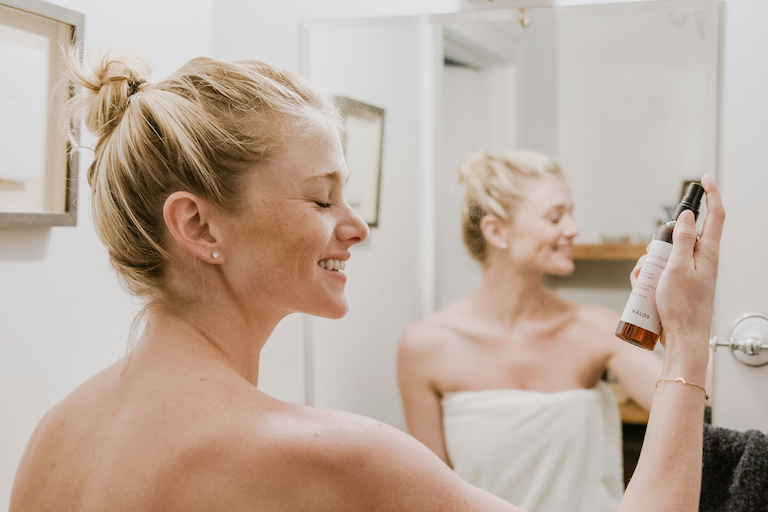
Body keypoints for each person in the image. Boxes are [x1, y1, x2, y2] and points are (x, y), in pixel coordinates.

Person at [10, 51, 724, 512]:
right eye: (323, 198)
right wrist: (689, 341)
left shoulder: (57, 436)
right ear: (197, 226)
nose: (356, 227)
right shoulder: (326, 453)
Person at [397, 151, 670, 511]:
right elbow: (432, 495)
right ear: (496, 231)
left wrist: (679, 319)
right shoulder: (426, 348)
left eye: (570, 213)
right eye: (555, 217)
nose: (572, 229)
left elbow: (690, 404)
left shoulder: (598, 328)